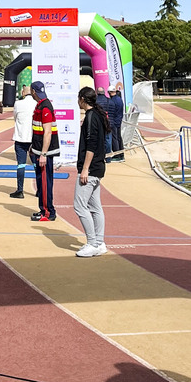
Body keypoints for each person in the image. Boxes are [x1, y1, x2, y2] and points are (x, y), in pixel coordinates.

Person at [74, 88, 108, 257]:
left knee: (79, 205)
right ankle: (100, 242)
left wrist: (85, 169)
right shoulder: (97, 115)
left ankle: (93, 242)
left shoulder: (91, 117)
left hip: (91, 168)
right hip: (98, 166)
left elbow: (91, 145)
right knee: (95, 206)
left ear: (82, 99)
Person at [29, 80, 59, 223]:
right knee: (41, 182)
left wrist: (43, 154)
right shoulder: (40, 105)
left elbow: (47, 132)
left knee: (45, 182)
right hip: (38, 149)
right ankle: (44, 209)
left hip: (44, 152)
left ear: (32, 91)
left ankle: (48, 212)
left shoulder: (45, 107)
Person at [10, 82, 35, 199]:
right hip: (33, 138)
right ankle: (39, 189)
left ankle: (20, 190)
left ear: (23, 92)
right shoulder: (37, 104)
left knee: (21, 165)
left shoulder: (18, 103)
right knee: (36, 165)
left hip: (20, 137)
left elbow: (15, 118)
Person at [108, 84, 125, 153]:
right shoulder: (119, 99)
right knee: (118, 137)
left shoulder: (112, 101)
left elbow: (112, 111)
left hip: (114, 121)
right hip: (119, 119)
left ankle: (117, 153)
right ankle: (121, 152)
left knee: (114, 138)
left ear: (109, 92)